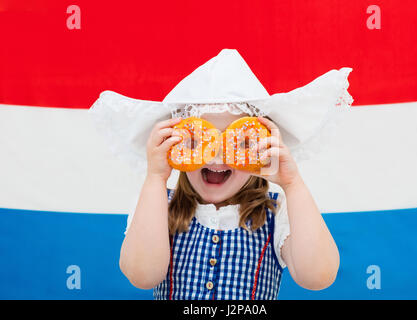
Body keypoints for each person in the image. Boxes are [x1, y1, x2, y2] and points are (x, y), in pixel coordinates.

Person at [89, 49, 353, 299]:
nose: (217, 155)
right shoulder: (157, 203)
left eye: (239, 141)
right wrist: (155, 179)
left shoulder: (277, 212)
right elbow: (142, 275)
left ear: (264, 146)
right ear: (174, 147)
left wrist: (293, 185)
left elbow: (318, 276)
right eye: (196, 140)